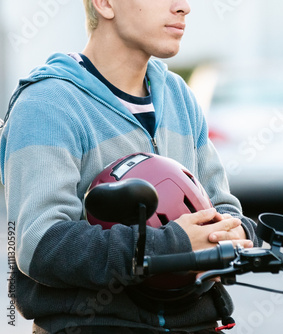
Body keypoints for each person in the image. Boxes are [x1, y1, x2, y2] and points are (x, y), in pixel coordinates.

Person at [0, 0, 261, 333]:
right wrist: (173, 246)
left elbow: (221, 208)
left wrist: (240, 232)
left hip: (199, 322)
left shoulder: (178, 95)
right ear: (106, 4)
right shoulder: (47, 104)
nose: (183, 7)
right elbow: (41, 245)